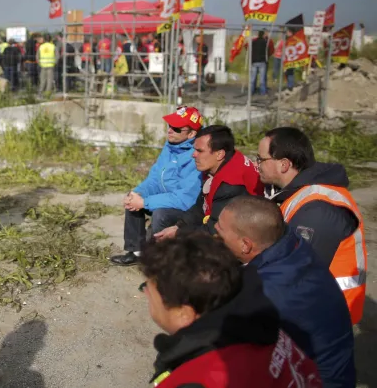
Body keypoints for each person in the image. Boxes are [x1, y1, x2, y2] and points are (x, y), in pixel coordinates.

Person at [139, 232, 322, 388]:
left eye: (149, 292)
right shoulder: (261, 325)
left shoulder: (199, 379)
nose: (146, 293)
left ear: (184, 314)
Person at [215, 196, 355, 388]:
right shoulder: (292, 244)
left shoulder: (265, 293)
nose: (215, 238)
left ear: (245, 245)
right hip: (334, 370)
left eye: (220, 234)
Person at [257, 126, 366, 324]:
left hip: (326, 315)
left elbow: (296, 273)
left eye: (261, 160)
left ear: (283, 164)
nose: (257, 165)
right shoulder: (296, 193)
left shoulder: (318, 209)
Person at [110, 106, 203, 266]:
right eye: (169, 126)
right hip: (168, 198)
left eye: (176, 128)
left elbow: (185, 199)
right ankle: (136, 251)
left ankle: (162, 264)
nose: (170, 130)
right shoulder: (170, 147)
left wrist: (145, 203)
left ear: (191, 134)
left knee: (160, 214)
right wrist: (137, 193)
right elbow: (154, 179)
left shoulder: (197, 155)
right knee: (133, 199)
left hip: (186, 208)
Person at [155, 125, 263, 240]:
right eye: (194, 149)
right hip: (219, 222)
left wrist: (178, 234)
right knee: (163, 217)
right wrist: (178, 227)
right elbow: (200, 205)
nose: (193, 154)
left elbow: (214, 230)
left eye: (199, 151)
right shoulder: (220, 163)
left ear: (219, 154)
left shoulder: (231, 184)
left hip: (240, 237)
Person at [250, 30, 269, 96]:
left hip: (254, 61)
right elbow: (269, 48)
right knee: (262, 79)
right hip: (262, 61)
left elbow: (250, 49)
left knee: (253, 78)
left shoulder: (254, 42)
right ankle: (263, 92)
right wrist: (267, 37)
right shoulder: (265, 42)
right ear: (263, 35)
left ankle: (251, 92)